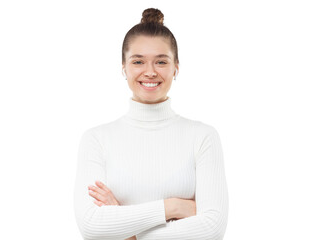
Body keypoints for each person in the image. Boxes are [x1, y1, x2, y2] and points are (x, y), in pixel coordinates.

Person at [73, 8, 229, 240]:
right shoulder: (97, 139)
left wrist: (127, 230)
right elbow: (92, 226)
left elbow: (212, 228)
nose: (150, 72)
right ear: (124, 67)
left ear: (176, 67)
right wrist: (174, 207)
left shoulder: (203, 136)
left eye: (161, 62)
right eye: (138, 61)